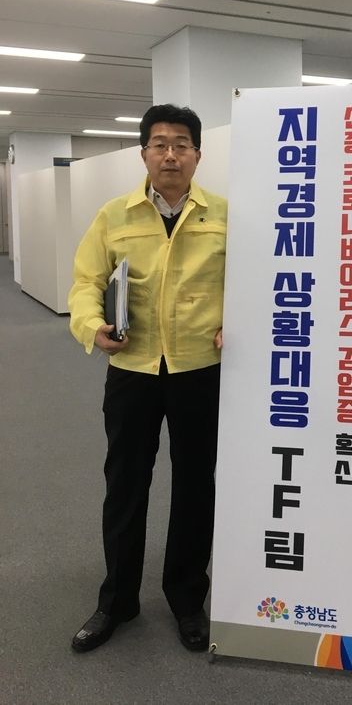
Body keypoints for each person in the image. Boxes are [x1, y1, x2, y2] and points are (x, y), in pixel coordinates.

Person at [68, 104, 227, 653]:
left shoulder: (224, 215)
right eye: (159, 144)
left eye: (182, 144)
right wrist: (91, 326)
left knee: (195, 486)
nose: (170, 155)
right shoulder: (115, 215)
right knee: (126, 485)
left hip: (198, 371)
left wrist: (237, 322)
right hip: (132, 369)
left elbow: (252, 284)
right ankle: (117, 600)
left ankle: (187, 599)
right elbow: (85, 282)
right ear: (143, 154)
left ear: (198, 154)